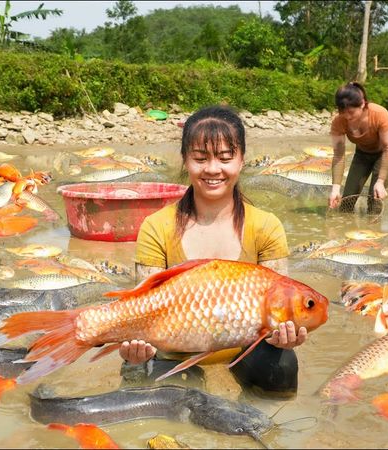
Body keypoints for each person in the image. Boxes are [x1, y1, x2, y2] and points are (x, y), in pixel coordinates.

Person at [120, 105, 307, 398]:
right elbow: (142, 308)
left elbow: (281, 305)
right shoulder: (156, 227)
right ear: (185, 160)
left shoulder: (266, 226)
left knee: (283, 365)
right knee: (141, 383)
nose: (212, 169)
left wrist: (286, 336)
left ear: (242, 160)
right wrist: (135, 346)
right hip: (172, 354)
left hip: (244, 351)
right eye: (200, 158)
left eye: (225, 158)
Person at [328, 82, 388, 212]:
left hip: (386, 152)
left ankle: (373, 228)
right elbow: (338, 155)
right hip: (363, 152)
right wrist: (335, 188)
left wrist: (380, 181)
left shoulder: (379, 114)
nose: (347, 116)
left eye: (351, 112)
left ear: (362, 104)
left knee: (374, 199)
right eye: (342, 112)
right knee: (347, 199)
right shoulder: (338, 122)